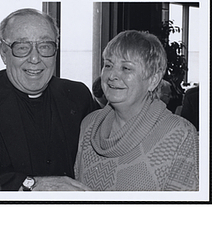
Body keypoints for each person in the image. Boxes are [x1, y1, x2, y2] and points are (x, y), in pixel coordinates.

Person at [0, 8, 97, 191]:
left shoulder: (77, 95)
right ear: (3, 53)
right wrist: (31, 185)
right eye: (22, 48)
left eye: (45, 46)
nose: (35, 58)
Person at [74, 30, 199, 191]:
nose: (112, 75)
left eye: (126, 68)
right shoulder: (89, 125)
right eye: (108, 65)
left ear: (153, 80)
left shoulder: (179, 135)